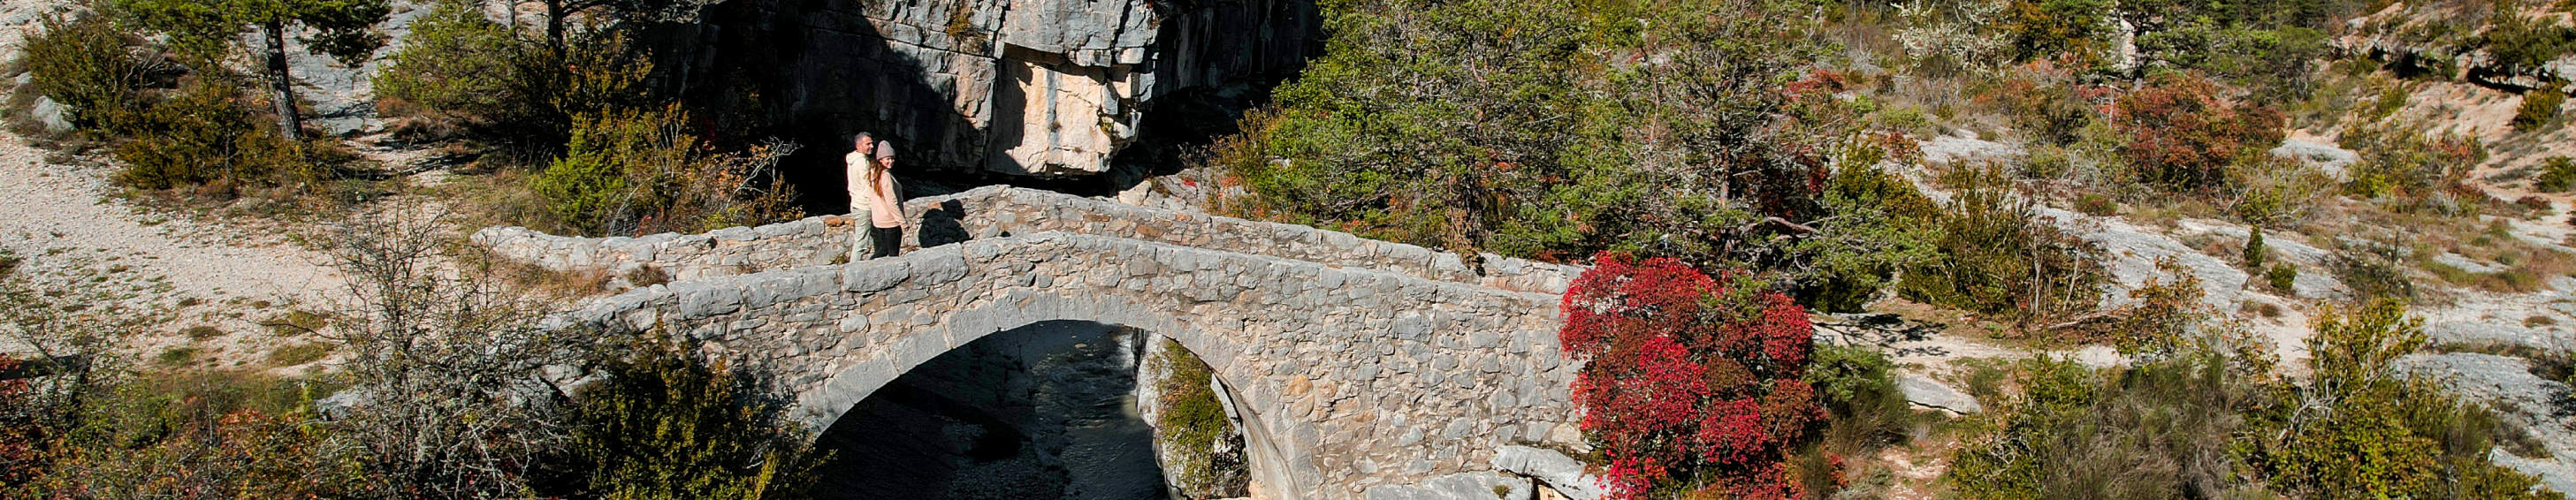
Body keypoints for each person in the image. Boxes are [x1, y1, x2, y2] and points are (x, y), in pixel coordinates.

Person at [849, 133, 910, 260]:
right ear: (858, 146)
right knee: (863, 244)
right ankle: (855, 272)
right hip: (873, 211)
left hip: (868, 211)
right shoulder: (864, 165)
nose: (871, 146)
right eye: (868, 144)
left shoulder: (864, 166)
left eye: (872, 143)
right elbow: (889, 200)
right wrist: (902, 222)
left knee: (881, 248)